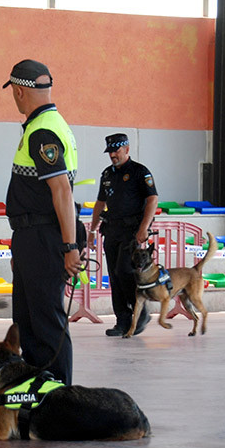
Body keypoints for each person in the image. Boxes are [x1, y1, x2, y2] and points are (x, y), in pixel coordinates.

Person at [3, 59, 80, 385]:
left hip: (42, 236)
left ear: (20, 91)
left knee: (45, 320)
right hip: (33, 236)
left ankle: (59, 393)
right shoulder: (51, 124)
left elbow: (61, 189)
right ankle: (38, 390)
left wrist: (70, 246)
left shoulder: (43, 131)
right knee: (29, 320)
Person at [88, 133, 159, 337]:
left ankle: (141, 311)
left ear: (127, 149)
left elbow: (152, 199)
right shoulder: (107, 174)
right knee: (113, 275)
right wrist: (92, 231)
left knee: (124, 271)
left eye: (116, 151)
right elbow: (100, 203)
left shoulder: (139, 172)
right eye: (110, 151)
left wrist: (144, 228)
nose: (112, 155)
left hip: (132, 231)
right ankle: (122, 319)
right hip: (112, 229)